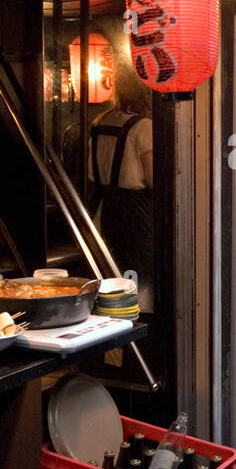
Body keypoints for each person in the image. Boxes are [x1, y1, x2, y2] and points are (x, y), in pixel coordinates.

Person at [88, 46, 154, 313]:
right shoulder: (143, 126)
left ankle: (113, 346)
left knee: (110, 276)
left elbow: (92, 173)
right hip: (135, 213)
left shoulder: (100, 121)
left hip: (103, 210)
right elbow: (153, 179)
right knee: (141, 281)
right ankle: (140, 338)